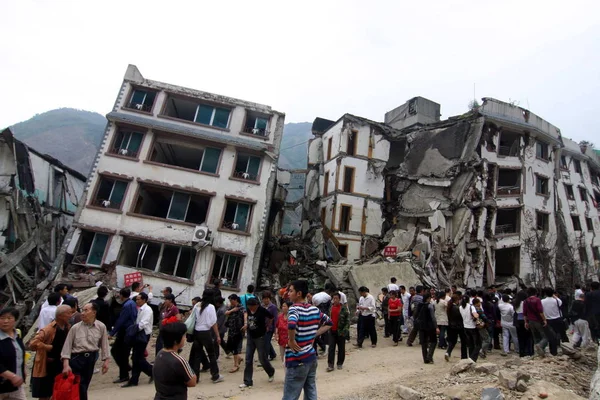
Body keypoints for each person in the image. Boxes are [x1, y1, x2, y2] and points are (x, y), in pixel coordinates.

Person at [283, 280, 332, 400]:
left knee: (290, 395)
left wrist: (292, 340)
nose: (288, 293)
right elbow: (329, 322)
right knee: (310, 392)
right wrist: (313, 334)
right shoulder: (314, 309)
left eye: (290, 291)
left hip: (297, 359)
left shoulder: (294, 309)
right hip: (310, 357)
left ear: (298, 293)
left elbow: (291, 324)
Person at [61, 302, 110, 400]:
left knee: (84, 385)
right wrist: (66, 365)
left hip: (90, 360)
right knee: (79, 386)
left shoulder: (101, 327)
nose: (82, 313)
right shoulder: (75, 328)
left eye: (86, 310)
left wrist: (106, 361)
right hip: (76, 359)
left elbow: (104, 344)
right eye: (82, 310)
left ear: (94, 312)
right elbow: (67, 347)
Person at [30, 305, 73, 400]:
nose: (71, 315)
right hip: (47, 366)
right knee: (45, 394)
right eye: (68, 313)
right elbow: (33, 343)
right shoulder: (49, 329)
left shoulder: (67, 327)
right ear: (60, 315)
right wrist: (47, 347)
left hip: (60, 364)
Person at [153, 322, 197, 400]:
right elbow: (192, 382)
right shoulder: (179, 361)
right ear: (176, 341)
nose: (185, 338)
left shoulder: (160, 354)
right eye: (183, 336)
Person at [239, 297, 275, 388]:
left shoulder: (262, 310)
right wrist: (246, 325)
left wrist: (268, 326)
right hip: (251, 337)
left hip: (260, 337)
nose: (251, 308)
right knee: (248, 359)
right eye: (249, 307)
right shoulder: (248, 309)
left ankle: (270, 371)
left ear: (257, 305)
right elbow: (248, 317)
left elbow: (271, 317)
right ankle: (247, 381)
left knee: (262, 358)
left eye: (253, 307)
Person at [190, 290, 223, 383]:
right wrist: (218, 336)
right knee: (211, 354)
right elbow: (213, 323)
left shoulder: (197, 305)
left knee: (197, 355)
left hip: (197, 332)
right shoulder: (211, 307)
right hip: (206, 333)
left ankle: (195, 377)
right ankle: (215, 375)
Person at [123, 293, 154, 387]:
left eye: (139, 299)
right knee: (136, 358)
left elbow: (143, 323)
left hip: (143, 335)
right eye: (136, 299)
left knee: (138, 358)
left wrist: (132, 331)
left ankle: (151, 372)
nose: (137, 301)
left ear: (144, 300)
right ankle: (134, 379)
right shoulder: (140, 309)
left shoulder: (147, 310)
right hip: (139, 334)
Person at [109, 288, 137, 384]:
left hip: (125, 332)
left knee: (117, 352)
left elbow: (121, 320)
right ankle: (125, 371)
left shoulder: (127, 305)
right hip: (129, 331)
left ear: (121, 295)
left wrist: (112, 333)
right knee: (122, 353)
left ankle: (124, 373)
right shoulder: (132, 304)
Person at [0, 308, 26, 400]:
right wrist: (12, 376)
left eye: (9, 318)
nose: (5, 321)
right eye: (2, 318)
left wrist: (23, 371)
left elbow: (19, 355)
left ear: (15, 320)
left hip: (16, 386)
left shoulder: (17, 335)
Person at [523, 287, 555, 357]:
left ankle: (539, 353)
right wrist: (544, 320)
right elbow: (540, 311)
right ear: (535, 293)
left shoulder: (525, 301)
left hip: (530, 321)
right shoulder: (537, 300)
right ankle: (540, 346)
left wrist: (526, 322)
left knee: (535, 337)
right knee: (545, 336)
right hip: (538, 320)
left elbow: (525, 313)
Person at [327, 292, 349, 371]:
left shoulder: (343, 308)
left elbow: (347, 321)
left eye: (336, 298)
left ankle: (340, 363)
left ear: (339, 299)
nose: (335, 300)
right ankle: (330, 364)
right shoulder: (331, 308)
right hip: (332, 331)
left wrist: (345, 331)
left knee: (341, 348)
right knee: (331, 348)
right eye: (334, 299)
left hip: (340, 331)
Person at [225, 294, 245, 373]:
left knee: (235, 347)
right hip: (231, 329)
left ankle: (236, 365)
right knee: (230, 347)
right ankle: (238, 358)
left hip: (238, 330)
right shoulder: (231, 307)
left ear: (235, 300)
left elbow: (245, 315)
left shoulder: (241, 307)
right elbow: (226, 313)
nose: (230, 302)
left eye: (231, 300)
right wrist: (232, 310)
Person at [415, 293, 438, 364]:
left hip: (421, 326)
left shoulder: (419, 305)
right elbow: (433, 318)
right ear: (428, 298)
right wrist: (436, 327)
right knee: (433, 341)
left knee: (424, 343)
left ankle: (425, 358)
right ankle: (429, 356)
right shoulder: (430, 306)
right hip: (430, 326)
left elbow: (415, 315)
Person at [445, 294, 467, 361]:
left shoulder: (450, 307)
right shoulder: (457, 308)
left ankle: (448, 352)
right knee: (463, 341)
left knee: (452, 341)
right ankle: (464, 356)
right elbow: (461, 317)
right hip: (459, 326)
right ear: (457, 300)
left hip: (451, 326)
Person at [460, 295, 482, 362]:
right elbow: (475, 315)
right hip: (472, 327)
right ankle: (473, 358)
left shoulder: (460, 307)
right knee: (478, 344)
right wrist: (478, 315)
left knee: (470, 344)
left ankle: (470, 357)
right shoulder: (471, 307)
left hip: (465, 326)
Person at [513, 290, 533, 357]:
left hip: (518, 321)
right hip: (525, 320)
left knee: (520, 337)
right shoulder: (526, 302)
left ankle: (521, 352)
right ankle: (528, 352)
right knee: (528, 337)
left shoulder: (515, 303)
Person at [261, 291, 278, 361]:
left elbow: (275, 318)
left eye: (267, 298)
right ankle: (273, 354)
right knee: (266, 341)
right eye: (264, 298)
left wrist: (275, 330)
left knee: (266, 342)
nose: (266, 300)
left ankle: (265, 358)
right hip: (263, 327)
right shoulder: (261, 306)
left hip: (270, 328)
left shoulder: (273, 307)